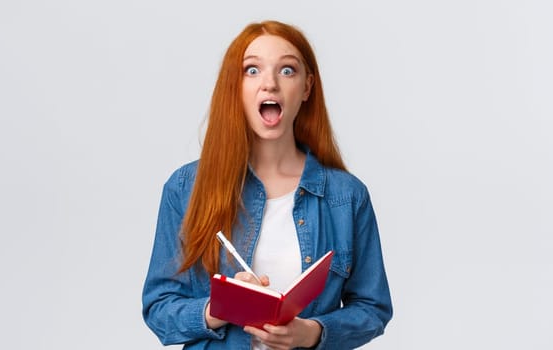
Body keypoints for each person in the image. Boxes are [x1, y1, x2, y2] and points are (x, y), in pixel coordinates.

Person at [141, 20, 392, 350]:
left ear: (306, 87)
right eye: (252, 70)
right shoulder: (186, 188)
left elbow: (373, 309)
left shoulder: (346, 196)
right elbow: (158, 309)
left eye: (287, 70)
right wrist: (221, 307)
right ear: (235, 87)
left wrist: (312, 332)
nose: (270, 84)